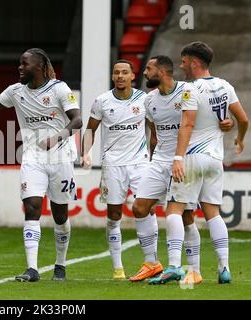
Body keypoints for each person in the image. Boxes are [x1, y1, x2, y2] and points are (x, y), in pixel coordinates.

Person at [0, 48, 82, 282]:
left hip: (61, 159)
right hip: (32, 158)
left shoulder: (59, 88)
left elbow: (77, 120)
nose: (20, 68)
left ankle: (60, 265)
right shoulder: (15, 91)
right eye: (19, 64)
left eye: (25, 64)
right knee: (32, 207)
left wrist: (56, 137)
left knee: (60, 215)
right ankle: (32, 269)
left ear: (40, 67)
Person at [149, 41, 249, 285]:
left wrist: (178, 158)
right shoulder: (225, 85)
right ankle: (224, 268)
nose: (181, 66)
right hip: (215, 159)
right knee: (213, 213)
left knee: (173, 209)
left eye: (184, 62)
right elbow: (243, 119)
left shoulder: (190, 90)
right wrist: (239, 137)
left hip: (193, 157)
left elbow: (187, 124)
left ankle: (173, 265)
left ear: (194, 63)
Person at [130, 55, 234, 284]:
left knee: (185, 215)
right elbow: (154, 133)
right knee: (139, 207)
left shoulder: (188, 90)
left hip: (185, 158)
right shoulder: (149, 100)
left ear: (163, 72)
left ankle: (193, 271)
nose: (145, 73)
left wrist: (227, 123)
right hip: (159, 160)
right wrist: (151, 157)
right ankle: (152, 263)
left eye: (149, 68)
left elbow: (210, 117)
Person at [81, 60, 149, 280]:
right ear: (113, 77)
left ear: (132, 77)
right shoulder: (102, 101)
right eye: (116, 73)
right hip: (113, 164)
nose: (120, 76)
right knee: (114, 215)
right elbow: (90, 129)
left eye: (124, 73)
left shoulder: (144, 100)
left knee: (145, 209)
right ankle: (118, 267)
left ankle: (151, 261)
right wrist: (85, 152)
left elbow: (156, 130)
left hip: (140, 162)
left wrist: (157, 157)